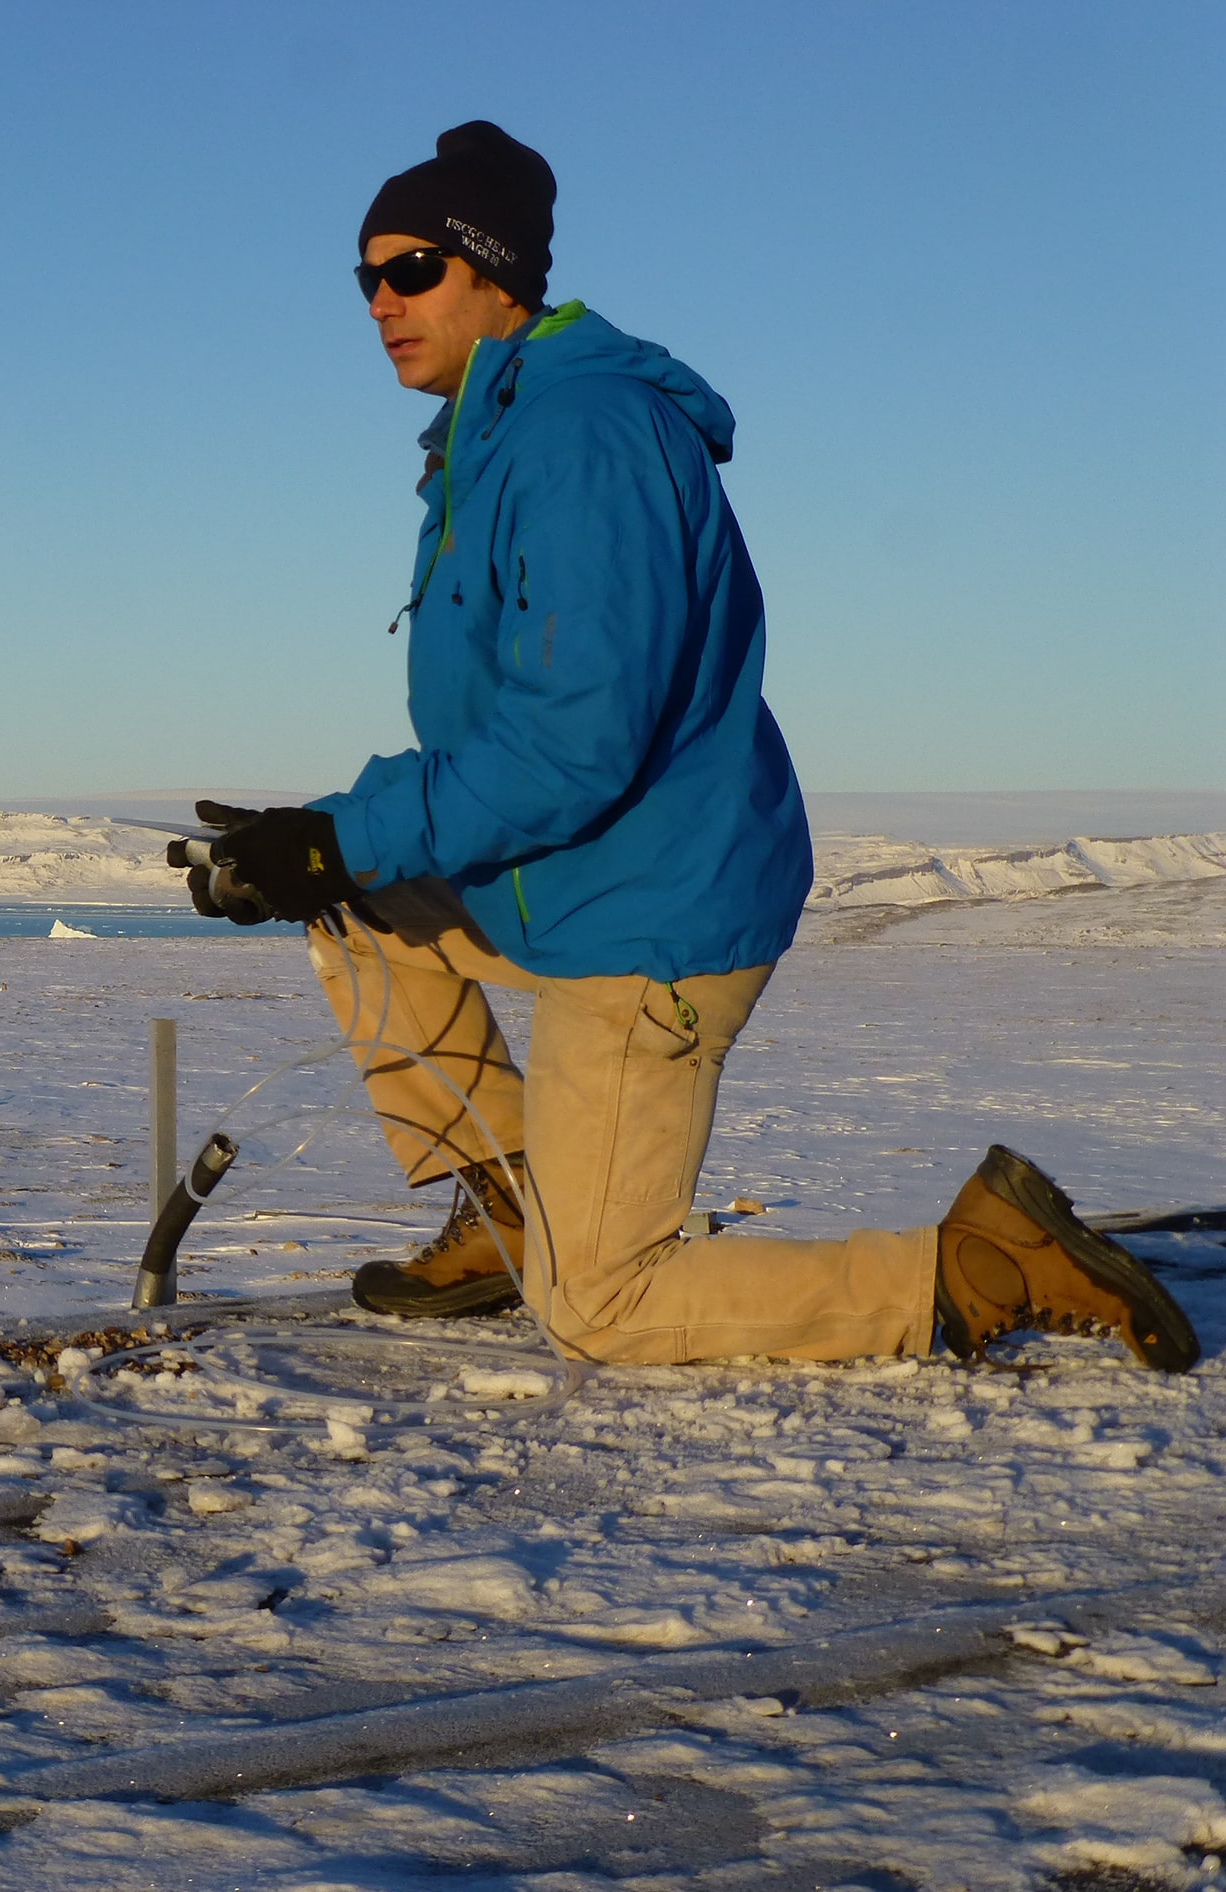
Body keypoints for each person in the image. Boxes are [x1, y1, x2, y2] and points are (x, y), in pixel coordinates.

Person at [184, 122, 1196, 1372]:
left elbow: (572, 747)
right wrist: (316, 847)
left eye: (411, 271)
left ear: (494, 271)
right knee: (353, 901)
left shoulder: (584, 438)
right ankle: (511, 1205)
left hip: (648, 916)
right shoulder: (494, 437)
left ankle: (980, 1265)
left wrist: (340, 835)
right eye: (366, 278)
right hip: (568, 879)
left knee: (599, 1308)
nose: (380, 302)